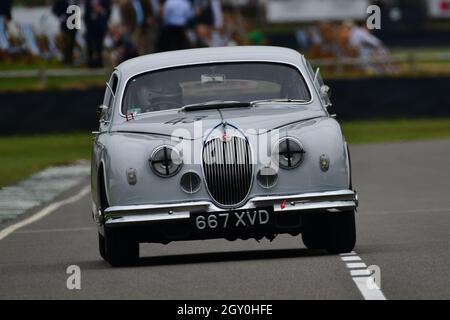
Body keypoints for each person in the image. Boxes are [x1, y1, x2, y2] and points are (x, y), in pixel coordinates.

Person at [84, 0, 111, 68]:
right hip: (91, 28)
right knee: (90, 47)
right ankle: (90, 64)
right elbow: (86, 15)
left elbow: (108, 12)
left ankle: (100, 63)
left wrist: (101, 11)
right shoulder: (88, 2)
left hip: (100, 28)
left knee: (100, 47)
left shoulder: (105, 2)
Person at [52, 0, 79, 66]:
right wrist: (60, 16)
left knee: (72, 43)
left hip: (74, 25)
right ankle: (66, 61)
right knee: (67, 42)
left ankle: (70, 61)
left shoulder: (74, 1)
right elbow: (54, 9)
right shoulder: (61, 1)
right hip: (65, 25)